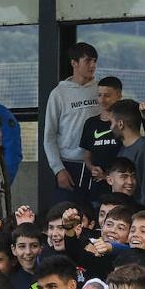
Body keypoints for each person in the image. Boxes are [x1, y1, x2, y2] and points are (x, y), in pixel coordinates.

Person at [44, 42, 100, 206]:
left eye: (95, 61)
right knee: (68, 214)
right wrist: (58, 169)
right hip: (69, 165)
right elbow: (49, 136)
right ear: (74, 63)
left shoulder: (100, 90)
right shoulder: (58, 94)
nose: (93, 65)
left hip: (97, 164)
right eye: (88, 61)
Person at [111, 99, 145, 208]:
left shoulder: (144, 151)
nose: (110, 127)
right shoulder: (124, 148)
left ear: (120, 124)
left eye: (111, 123)